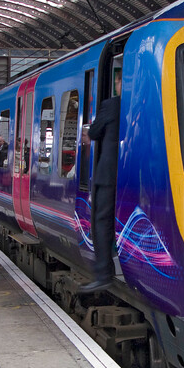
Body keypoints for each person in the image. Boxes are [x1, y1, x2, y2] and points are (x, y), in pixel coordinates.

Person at [80, 69, 121, 294]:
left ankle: (104, 273)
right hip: (133, 173)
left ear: (121, 82)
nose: (115, 85)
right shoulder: (145, 103)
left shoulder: (112, 105)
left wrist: (89, 130)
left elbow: (94, 132)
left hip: (108, 174)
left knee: (102, 221)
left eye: (117, 80)